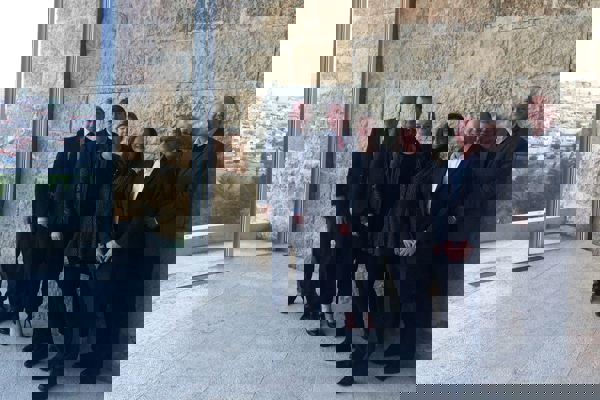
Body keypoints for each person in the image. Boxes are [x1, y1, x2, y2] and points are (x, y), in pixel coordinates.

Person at [38, 105, 115, 392]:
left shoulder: (106, 150)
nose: (89, 124)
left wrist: (104, 240)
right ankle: (64, 352)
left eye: (94, 119)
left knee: (95, 300)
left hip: (95, 236)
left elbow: (108, 199)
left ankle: (94, 358)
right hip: (72, 234)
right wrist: (50, 218)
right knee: (62, 293)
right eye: (85, 119)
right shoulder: (73, 149)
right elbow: (58, 186)